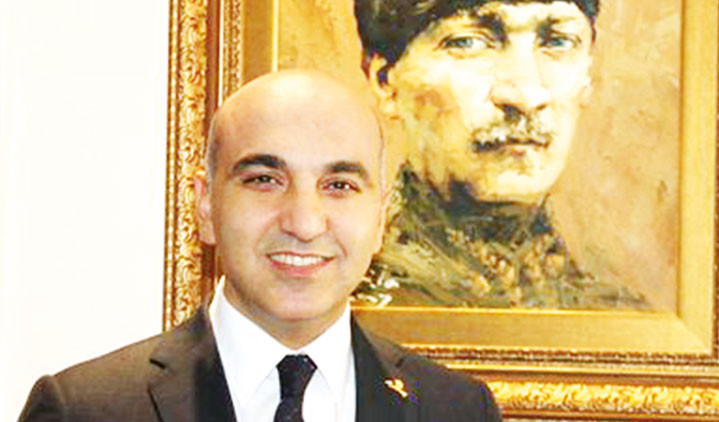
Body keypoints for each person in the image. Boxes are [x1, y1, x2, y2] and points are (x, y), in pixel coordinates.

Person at [18, 70, 501, 421]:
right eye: (265, 179)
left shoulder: (457, 410)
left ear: (382, 219)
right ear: (205, 206)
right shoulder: (84, 409)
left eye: (339, 185)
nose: (304, 223)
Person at [352, 0, 647, 309]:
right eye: (468, 42)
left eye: (558, 42)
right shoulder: (348, 308)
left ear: (587, 75)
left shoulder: (621, 318)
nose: (526, 96)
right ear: (385, 81)